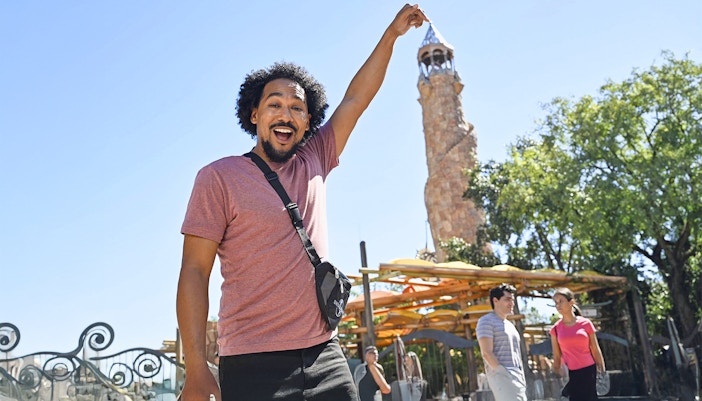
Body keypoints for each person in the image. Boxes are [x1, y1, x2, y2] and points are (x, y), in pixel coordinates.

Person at [175, 5, 428, 401]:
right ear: (255, 114)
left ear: (308, 122)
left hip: (325, 354)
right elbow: (193, 270)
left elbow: (356, 98)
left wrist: (391, 35)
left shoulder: (316, 158)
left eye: (297, 108)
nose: (286, 114)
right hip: (252, 361)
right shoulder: (218, 177)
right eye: (274, 104)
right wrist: (195, 366)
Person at [550, 287, 606, 401]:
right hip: (570, 373)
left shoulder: (586, 323)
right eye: (556, 302)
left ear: (571, 302)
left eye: (561, 301)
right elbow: (556, 355)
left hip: (589, 370)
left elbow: (595, 348)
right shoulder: (555, 329)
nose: (558, 305)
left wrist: (603, 370)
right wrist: (556, 374)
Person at [475, 284, 527, 401]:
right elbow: (486, 353)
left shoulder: (510, 325)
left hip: (517, 376)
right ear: (495, 300)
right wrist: (502, 372)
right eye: (507, 299)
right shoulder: (485, 321)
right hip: (503, 376)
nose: (511, 303)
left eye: (512, 300)